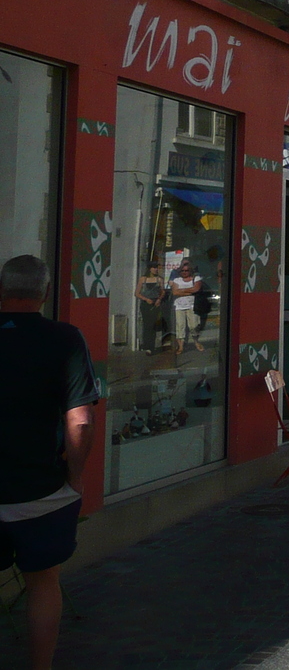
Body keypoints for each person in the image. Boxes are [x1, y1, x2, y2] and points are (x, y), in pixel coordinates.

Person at [0, 255, 99, 670]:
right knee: (44, 582)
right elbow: (80, 421)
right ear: (43, 293)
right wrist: (75, 477)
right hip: (41, 490)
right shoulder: (64, 339)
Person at [167, 258, 205, 354]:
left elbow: (196, 289)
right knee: (180, 326)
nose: (184, 272)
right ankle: (180, 347)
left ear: (190, 270)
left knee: (194, 325)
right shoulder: (177, 280)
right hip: (179, 306)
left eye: (186, 270)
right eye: (182, 270)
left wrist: (182, 291)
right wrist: (189, 291)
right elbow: (175, 292)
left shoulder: (196, 278)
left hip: (192, 305)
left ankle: (196, 342)